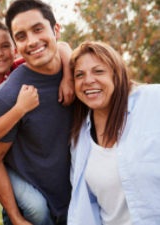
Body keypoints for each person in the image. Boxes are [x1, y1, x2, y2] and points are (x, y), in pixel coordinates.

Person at [0, 0, 74, 224]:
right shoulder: (8, 98)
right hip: (34, 214)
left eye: (38, 29)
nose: (32, 41)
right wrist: (16, 217)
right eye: (22, 36)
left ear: (56, 30)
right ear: (16, 45)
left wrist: (70, 75)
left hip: (75, 202)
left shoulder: (79, 74)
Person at [67, 41, 160, 225]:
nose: (88, 80)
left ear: (116, 75)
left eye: (98, 71)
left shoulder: (154, 100)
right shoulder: (78, 140)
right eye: (80, 75)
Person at [0, 19, 74, 147]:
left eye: (5, 46)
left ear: (15, 51)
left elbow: (61, 46)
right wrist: (21, 108)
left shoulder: (18, 69)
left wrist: (68, 78)